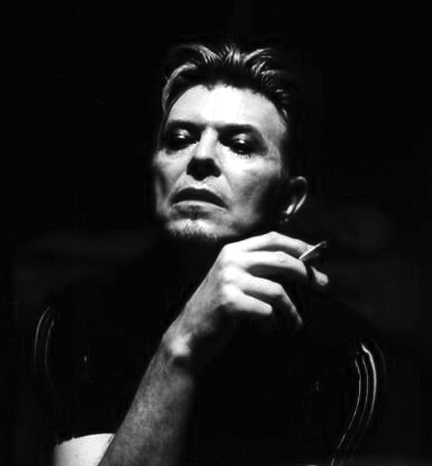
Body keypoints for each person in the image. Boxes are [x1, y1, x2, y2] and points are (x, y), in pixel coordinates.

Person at [35, 40, 392, 466]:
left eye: (239, 144)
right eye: (178, 139)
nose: (200, 157)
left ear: (289, 199)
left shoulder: (343, 354)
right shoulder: (76, 321)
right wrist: (181, 345)